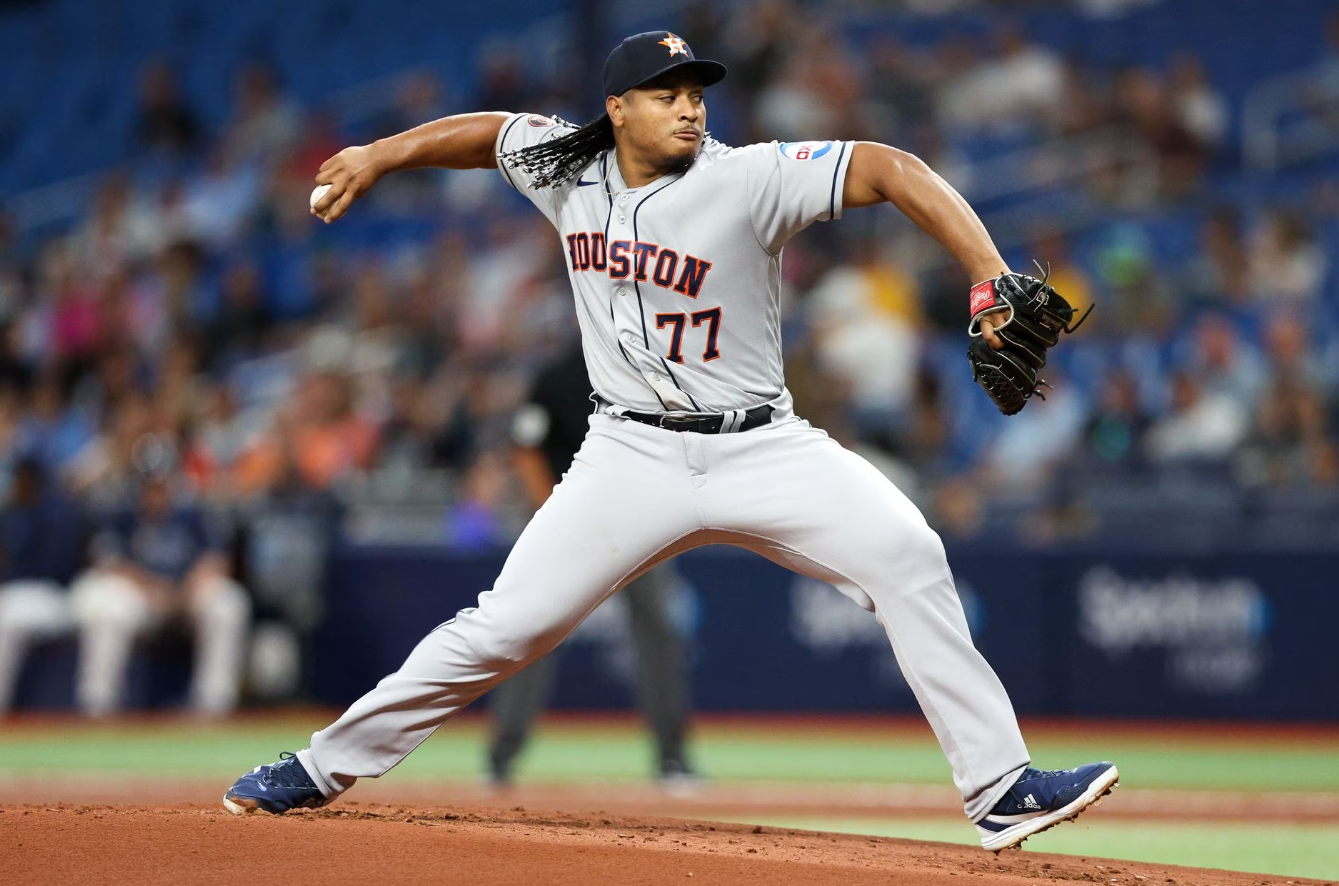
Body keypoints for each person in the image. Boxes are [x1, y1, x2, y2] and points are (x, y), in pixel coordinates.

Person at [224, 31, 1117, 852]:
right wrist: (381, 153)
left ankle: (999, 786)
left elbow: (889, 166)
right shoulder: (566, 164)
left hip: (764, 445)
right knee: (504, 629)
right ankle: (320, 766)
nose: (689, 104)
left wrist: (988, 273)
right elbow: (488, 130)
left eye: (696, 89)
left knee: (908, 554)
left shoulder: (747, 177)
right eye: (664, 92)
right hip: (628, 456)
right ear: (616, 109)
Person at [488, 340, 695, 789]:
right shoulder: (558, 375)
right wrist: (553, 516)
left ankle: (673, 759)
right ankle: (501, 758)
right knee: (532, 631)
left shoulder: (647, 374)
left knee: (658, 631)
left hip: (635, 524)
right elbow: (527, 448)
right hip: (569, 523)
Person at [70, 468, 250, 716]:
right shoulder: (123, 514)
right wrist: (151, 588)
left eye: (162, 485)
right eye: (150, 485)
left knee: (228, 603)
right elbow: (108, 563)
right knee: (109, 609)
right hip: (141, 599)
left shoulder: (192, 514)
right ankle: (99, 705)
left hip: (185, 596)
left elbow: (217, 560)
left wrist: (185, 591)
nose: (156, 492)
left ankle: (213, 706)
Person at [0, 458, 85, 713]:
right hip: (18, 594)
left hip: (49, 594)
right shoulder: (11, 512)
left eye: (21, 478)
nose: (16, 484)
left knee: (8, 620)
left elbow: (57, 569)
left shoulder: (56, 515)